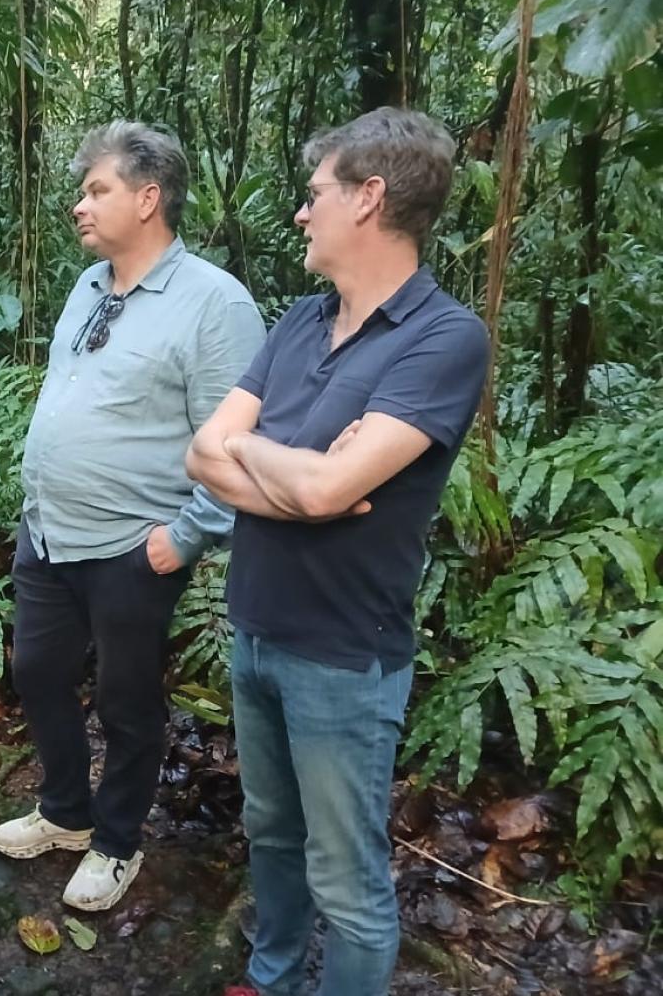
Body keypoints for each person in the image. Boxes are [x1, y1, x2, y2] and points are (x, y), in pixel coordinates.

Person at [187, 108, 488, 996]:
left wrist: (275, 464)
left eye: (314, 193)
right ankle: (272, 979)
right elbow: (204, 454)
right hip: (255, 631)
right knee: (271, 834)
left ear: (369, 198)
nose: (300, 213)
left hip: (344, 657)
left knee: (349, 883)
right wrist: (297, 469)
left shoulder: (443, 338)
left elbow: (320, 492)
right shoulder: (299, 321)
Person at [0, 121, 265, 912]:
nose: (80, 205)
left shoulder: (215, 303)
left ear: (149, 197)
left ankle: (115, 844)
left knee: (127, 701)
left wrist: (185, 538)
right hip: (49, 531)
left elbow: (238, 438)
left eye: (96, 190)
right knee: (37, 673)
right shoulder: (88, 286)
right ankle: (65, 814)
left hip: (132, 545)